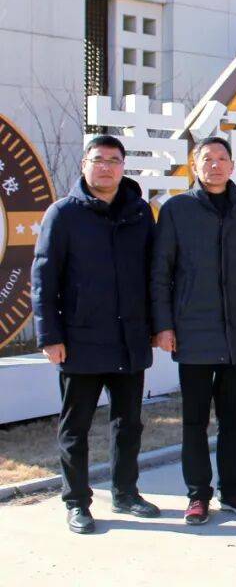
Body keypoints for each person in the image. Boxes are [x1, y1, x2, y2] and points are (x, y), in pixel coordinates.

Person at [31, 136, 160, 534]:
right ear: (84, 164)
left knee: (129, 424)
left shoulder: (139, 212)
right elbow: (44, 277)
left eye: (114, 160)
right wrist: (49, 336)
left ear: (123, 167)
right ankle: (77, 502)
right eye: (98, 159)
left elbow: (154, 274)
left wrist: (157, 326)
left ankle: (126, 493)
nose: (106, 167)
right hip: (80, 339)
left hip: (128, 338)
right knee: (76, 427)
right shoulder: (64, 214)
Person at [150, 137, 236, 525]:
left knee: (233, 417)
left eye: (222, 158)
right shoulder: (177, 209)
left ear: (232, 166)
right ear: (194, 165)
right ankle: (198, 495)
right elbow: (161, 271)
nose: (215, 165)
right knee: (195, 419)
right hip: (193, 330)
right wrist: (164, 325)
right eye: (207, 159)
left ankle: (233, 492)